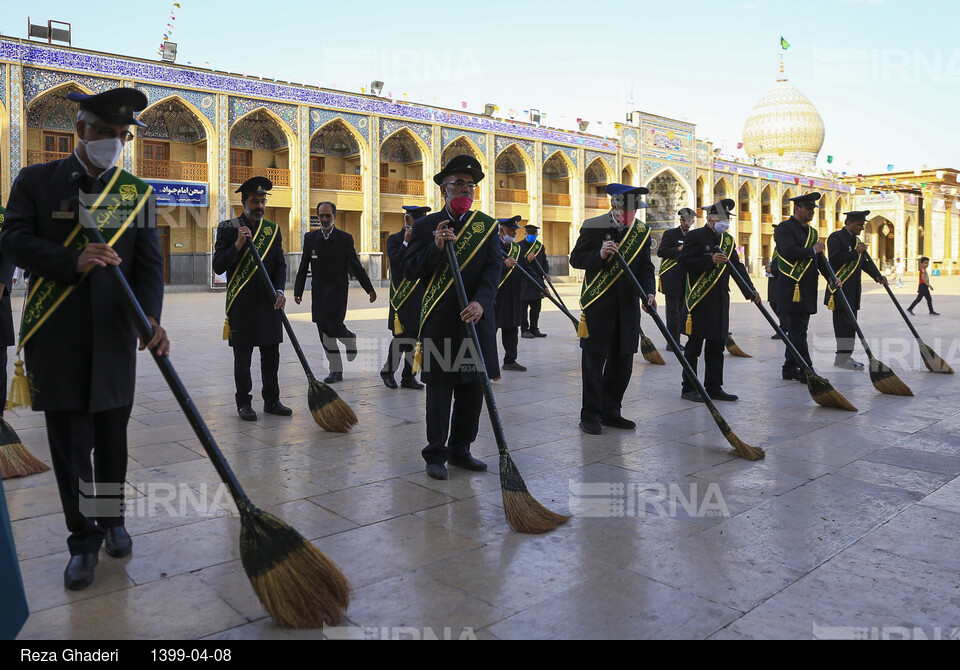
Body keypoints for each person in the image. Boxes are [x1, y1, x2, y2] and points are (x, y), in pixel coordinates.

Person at [0, 87, 169, 590]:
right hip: (59, 336)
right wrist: (71, 259)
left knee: (112, 444)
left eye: (123, 137)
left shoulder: (134, 192)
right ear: (80, 131)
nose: (114, 145)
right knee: (72, 448)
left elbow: (148, 267)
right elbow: (12, 239)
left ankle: (112, 520)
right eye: (106, 134)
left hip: (116, 338)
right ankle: (83, 541)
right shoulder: (36, 181)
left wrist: (151, 321)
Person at [402, 154, 501, 480]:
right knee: (441, 391)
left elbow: (492, 271)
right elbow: (410, 269)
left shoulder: (485, 226)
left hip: (475, 320)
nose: (465, 190)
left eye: (470, 185)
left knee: (472, 391)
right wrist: (436, 248)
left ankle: (462, 449)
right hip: (440, 322)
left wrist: (481, 302)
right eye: (458, 184)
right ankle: (436, 453)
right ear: (444, 190)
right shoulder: (426, 226)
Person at [570, 183, 656, 435]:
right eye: (624, 209)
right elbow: (576, 259)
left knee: (623, 363)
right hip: (599, 306)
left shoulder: (641, 231)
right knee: (594, 364)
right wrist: (599, 255)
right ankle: (590, 415)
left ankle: (612, 411)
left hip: (628, 306)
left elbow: (645, 268)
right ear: (614, 206)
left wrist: (649, 292)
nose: (629, 216)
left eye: (634, 211)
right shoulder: (593, 225)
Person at [213, 177, 291, 421]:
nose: (259, 206)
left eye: (262, 201)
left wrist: (280, 291)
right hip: (242, 304)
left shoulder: (272, 229)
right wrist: (238, 244)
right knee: (243, 358)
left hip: (269, 303)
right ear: (243, 202)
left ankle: (272, 400)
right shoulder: (228, 227)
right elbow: (218, 266)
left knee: (271, 356)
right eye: (254, 201)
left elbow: (280, 264)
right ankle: (244, 403)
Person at [678, 199, 760, 402]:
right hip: (699, 300)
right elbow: (683, 262)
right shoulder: (696, 236)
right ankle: (688, 387)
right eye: (721, 218)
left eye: (726, 219)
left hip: (720, 300)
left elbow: (737, 267)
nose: (724, 222)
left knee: (716, 346)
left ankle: (714, 387)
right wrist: (709, 261)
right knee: (694, 347)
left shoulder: (728, 240)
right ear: (710, 218)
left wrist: (750, 290)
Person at [294, 201, 376, 383]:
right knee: (324, 333)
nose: (324, 219)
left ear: (335, 216)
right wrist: (298, 290)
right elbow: (303, 266)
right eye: (321, 216)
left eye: (328, 216)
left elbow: (356, 265)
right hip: (319, 293)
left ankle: (349, 339)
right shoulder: (310, 238)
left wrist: (369, 288)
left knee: (334, 326)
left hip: (338, 292)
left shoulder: (344, 239)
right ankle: (336, 371)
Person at [773, 192, 836, 382]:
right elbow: (788, 251)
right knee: (798, 330)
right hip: (791, 287)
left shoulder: (811, 232)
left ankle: (789, 367)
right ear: (797, 208)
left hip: (807, 287)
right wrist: (812, 250)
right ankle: (807, 370)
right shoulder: (784, 228)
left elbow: (820, 259)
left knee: (798, 330)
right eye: (808, 209)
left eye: (813, 209)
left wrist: (832, 277)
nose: (812, 212)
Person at [825, 210, 887, 370]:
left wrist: (878, 276)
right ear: (849, 223)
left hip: (853, 291)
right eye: (859, 224)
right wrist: (855, 252)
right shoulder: (835, 237)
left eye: (862, 225)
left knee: (852, 324)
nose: (861, 228)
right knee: (843, 325)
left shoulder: (856, 240)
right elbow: (834, 259)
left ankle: (847, 356)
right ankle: (841, 358)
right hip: (839, 289)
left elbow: (864, 264)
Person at [381, 205, 428, 390]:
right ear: (408, 220)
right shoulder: (394, 239)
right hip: (402, 297)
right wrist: (406, 243)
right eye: (418, 221)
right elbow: (395, 262)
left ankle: (409, 377)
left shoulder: (424, 241)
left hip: (420, 297)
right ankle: (388, 372)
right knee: (401, 339)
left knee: (417, 340)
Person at [657, 207, 696, 352]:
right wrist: (678, 250)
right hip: (672, 279)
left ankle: (677, 341)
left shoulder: (693, 235)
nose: (686, 223)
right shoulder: (670, 234)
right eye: (684, 220)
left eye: (689, 221)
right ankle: (672, 343)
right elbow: (661, 252)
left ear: (692, 222)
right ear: (680, 220)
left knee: (682, 312)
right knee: (672, 313)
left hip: (687, 279)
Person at [495, 215, 526, 372]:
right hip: (496, 296)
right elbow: (485, 268)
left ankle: (510, 359)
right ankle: (489, 363)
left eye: (515, 230)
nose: (514, 233)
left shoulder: (517, 249)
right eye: (511, 230)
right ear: (501, 230)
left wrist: (542, 286)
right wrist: (503, 265)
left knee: (512, 328)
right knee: (490, 330)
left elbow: (527, 270)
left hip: (513, 294)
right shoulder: (492, 245)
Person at [519, 224, 549, 339]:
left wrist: (546, 273)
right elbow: (519, 265)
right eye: (529, 234)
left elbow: (544, 262)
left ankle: (534, 328)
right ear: (525, 234)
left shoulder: (540, 247)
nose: (531, 236)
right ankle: (524, 330)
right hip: (524, 282)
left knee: (536, 308)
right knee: (523, 309)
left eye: (534, 234)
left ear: (537, 235)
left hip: (537, 282)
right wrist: (527, 259)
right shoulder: (519, 246)